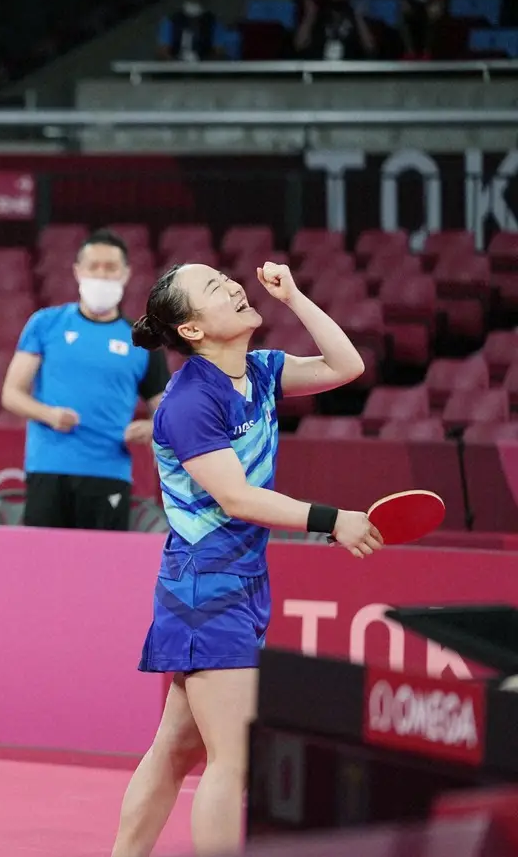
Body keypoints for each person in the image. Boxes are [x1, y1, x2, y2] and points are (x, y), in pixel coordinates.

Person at [108, 260, 382, 857]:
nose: (233, 285)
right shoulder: (186, 403)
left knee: (177, 749)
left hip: (239, 578)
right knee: (232, 758)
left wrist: (296, 297)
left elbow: (346, 366)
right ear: (191, 331)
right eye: (213, 288)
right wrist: (331, 521)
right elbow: (235, 497)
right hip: (206, 585)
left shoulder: (258, 373)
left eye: (225, 278)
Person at [1, 229, 170, 531]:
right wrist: (49, 414)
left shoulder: (143, 341)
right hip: (49, 467)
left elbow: (167, 410)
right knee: (42, 565)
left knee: (102, 570)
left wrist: (153, 427)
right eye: (94, 266)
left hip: (109, 472)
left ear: (126, 273)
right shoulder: (45, 324)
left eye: (110, 267)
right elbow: (11, 393)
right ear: (78, 271)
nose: (101, 275)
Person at [293, 0, 377, 61]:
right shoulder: (318, 12)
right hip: (319, 65)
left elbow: (370, 47)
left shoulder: (355, 15)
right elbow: (299, 45)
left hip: (348, 67)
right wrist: (310, 15)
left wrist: (359, 17)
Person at [156, 0, 226, 62]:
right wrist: (177, 64)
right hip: (175, 66)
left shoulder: (213, 21)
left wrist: (203, 64)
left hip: (204, 67)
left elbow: (219, 51)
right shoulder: (171, 20)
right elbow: (163, 50)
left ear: (204, 0)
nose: (193, 2)